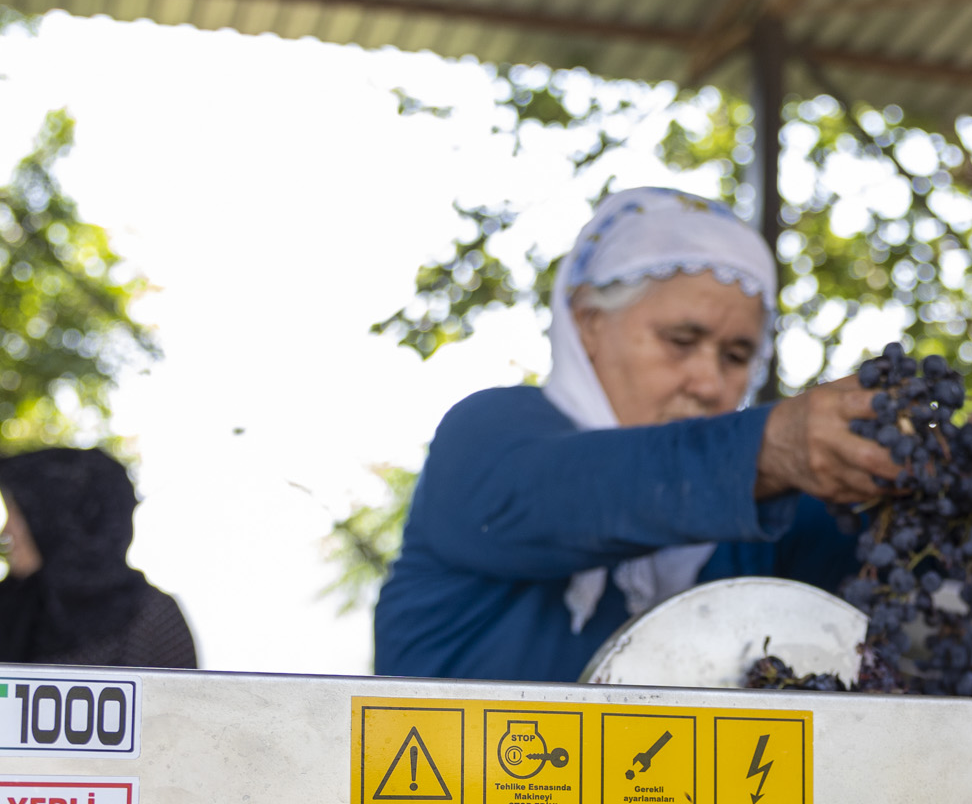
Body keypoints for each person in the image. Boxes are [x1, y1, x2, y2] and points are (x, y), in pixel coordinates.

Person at [375, 188, 892, 683]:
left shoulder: (750, 525)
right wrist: (770, 447)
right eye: (681, 341)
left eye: (736, 357)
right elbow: (591, 488)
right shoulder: (486, 438)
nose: (710, 384)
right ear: (589, 325)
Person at [0, 448, 197, 668]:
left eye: (18, 514)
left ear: (58, 518)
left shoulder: (150, 617)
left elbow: (176, 714)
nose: (5, 530)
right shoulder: (12, 613)